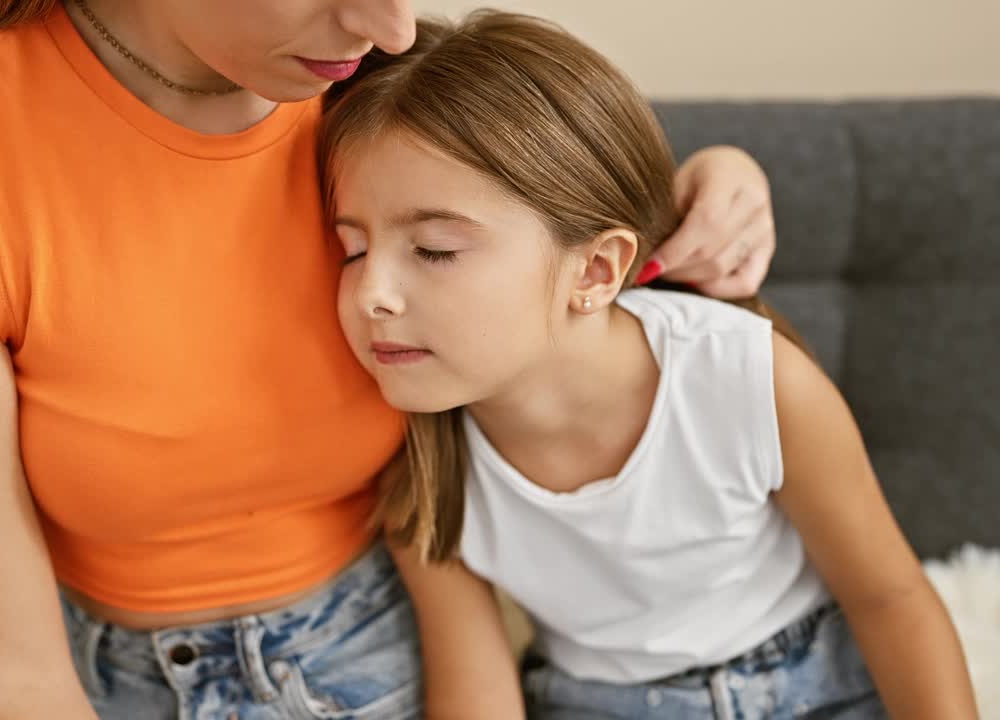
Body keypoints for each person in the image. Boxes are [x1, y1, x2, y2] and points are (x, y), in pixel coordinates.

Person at [0, 1, 783, 717]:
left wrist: (715, 181)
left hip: (390, 651)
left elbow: (558, 242)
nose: (393, 24)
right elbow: (8, 674)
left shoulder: (370, 83)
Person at [321, 11, 978, 720]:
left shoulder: (751, 378)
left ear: (597, 271)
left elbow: (891, 598)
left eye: (435, 250)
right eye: (353, 250)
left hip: (819, 685)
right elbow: (478, 692)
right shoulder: (416, 464)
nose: (374, 295)